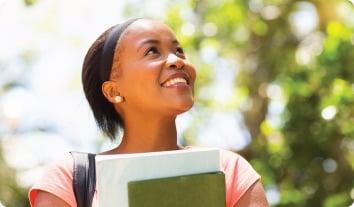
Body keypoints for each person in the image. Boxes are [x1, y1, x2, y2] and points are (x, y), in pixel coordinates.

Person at [28, 18, 269, 207]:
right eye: (152, 51)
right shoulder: (69, 179)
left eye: (180, 50)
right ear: (113, 91)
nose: (177, 60)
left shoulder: (229, 170)